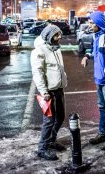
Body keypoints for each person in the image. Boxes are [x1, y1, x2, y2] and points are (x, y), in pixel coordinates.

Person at [80, 11, 105, 150]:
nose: (90, 25)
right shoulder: (96, 36)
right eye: (90, 22)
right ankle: (102, 133)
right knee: (102, 108)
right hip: (99, 80)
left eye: (92, 23)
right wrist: (86, 56)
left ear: (99, 23)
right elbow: (94, 51)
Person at [31, 24, 68, 161]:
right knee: (49, 121)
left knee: (60, 117)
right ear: (48, 36)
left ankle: (51, 141)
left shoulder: (56, 49)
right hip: (48, 92)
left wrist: (64, 79)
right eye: (56, 35)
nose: (59, 37)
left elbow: (59, 68)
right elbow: (37, 73)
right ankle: (42, 148)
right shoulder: (39, 51)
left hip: (59, 89)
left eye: (59, 34)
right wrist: (44, 92)